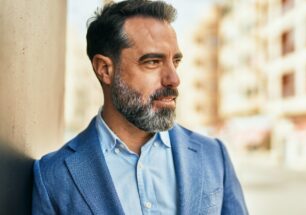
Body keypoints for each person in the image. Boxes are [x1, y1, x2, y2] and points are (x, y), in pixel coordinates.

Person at [32, 0, 248, 214]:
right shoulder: (53, 176)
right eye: (152, 62)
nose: (174, 78)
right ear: (105, 69)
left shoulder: (214, 156)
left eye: (176, 62)